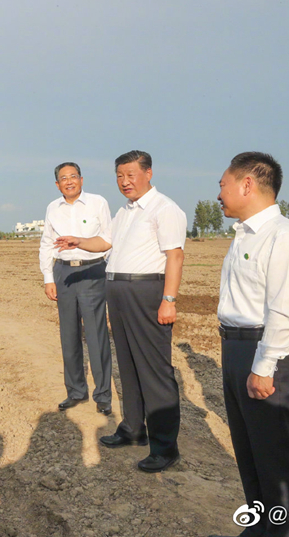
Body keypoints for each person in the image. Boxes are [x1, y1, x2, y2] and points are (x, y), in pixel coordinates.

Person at [60, 150, 186, 473]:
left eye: (131, 175)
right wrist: (78, 241)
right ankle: (133, 428)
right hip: (116, 291)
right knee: (128, 365)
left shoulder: (165, 209)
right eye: (119, 176)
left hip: (146, 291)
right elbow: (105, 243)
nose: (124, 182)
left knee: (154, 370)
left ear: (149, 173)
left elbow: (175, 256)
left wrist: (168, 299)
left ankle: (165, 446)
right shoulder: (125, 212)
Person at [211, 152, 289, 537]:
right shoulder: (244, 235)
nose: (218, 193)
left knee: (276, 458)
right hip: (238, 348)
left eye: (222, 184)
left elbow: (286, 310)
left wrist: (264, 365)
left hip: (269, 353)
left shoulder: (284, 237)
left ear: (247, 184)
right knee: (251, 452)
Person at [39, 161, 113, 414]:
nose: (69, 181)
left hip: (92, 270)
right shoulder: (52, 208)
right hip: (64, 273)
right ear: (57, 184)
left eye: (73, 176)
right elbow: (47, 244)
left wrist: (110, 273)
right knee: (69, 335)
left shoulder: (98, 203)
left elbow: (109, 240)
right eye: (63, 178)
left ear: (81, 180)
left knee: (96, 335)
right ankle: (75, 391)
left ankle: (102, 395)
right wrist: (49, 277)